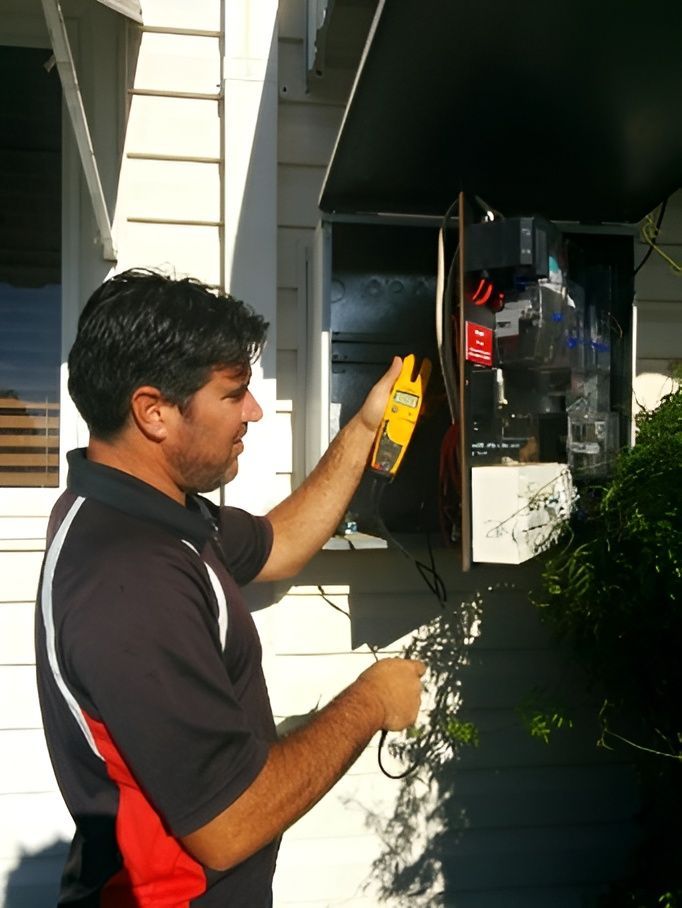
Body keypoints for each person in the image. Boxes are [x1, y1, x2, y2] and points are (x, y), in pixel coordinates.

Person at [35, 268, 425, 907]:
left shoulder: (151, 509)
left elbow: (279, 543)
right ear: (154, 412)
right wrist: (371, 702)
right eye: (233, 393)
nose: (253, 411)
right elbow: (230, 823)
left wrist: (363, 431)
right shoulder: (129, 577)